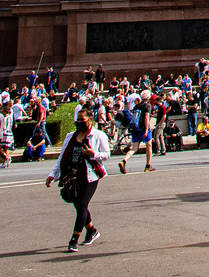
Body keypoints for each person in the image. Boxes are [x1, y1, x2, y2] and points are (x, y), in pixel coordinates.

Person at [48, 106, 109, 253]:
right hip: (72, 176)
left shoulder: (98, 135)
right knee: (79, 206)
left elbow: (107, 154)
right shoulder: (71, 136)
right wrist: (52, 174)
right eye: (78, 120)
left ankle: (74, 239)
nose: (80, 122)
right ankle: (92, 231)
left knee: (82, 203)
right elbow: (62, 157)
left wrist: (93, 153)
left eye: (83, 120)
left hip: (90, 175)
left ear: (90, 120)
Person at [118, 94, 153, 173]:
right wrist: (147, 130)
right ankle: (148, 165)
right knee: (149, 146)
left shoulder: (136, 106)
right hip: (143, 128)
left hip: (135, 128)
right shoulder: (147, 106)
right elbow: (146, 117)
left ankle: (123, 161)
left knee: (134, 148)